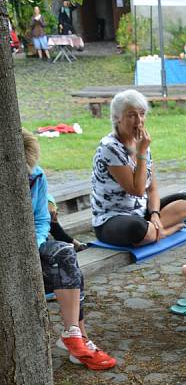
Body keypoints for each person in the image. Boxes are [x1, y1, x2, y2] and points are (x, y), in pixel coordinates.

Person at [23, 129, 115, 370]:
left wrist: (33, 245)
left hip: (31, 246)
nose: (26, 177)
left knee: (64, 253)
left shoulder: (37, 176)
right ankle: (79, 341)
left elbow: (42, 220)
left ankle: (73, 334)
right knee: (66, 269)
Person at [91, 90, 186, 247]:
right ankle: (163, 231)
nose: (139, 120)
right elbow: (138, 190)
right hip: (111, 218)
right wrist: (141, 153)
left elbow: (152, 190)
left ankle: (154, 230)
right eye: (131, 115)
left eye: (142, 114)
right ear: (117, 118)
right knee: (138, 229)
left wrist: (154, 213)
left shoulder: (140, 142)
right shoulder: (110, 147)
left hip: (141, 213)